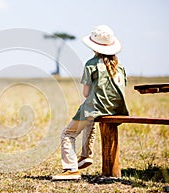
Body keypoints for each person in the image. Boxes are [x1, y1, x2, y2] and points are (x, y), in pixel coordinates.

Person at [52, 25, 129, 180]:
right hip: (116, 110)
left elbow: (86, 93)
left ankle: (70, 169)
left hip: (95, 108)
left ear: (94, 47)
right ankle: (86, 155)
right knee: (90, 120)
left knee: (68, 134)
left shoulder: (91, 64)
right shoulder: (120, 67)